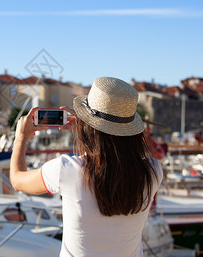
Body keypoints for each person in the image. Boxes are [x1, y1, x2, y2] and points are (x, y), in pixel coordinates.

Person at [10, 76, 163, 256]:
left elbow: (18, 179)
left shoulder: (67, 170)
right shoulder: (152, 171)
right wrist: (88, 130)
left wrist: (21, 138)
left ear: (89, 125)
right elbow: (114, 153)